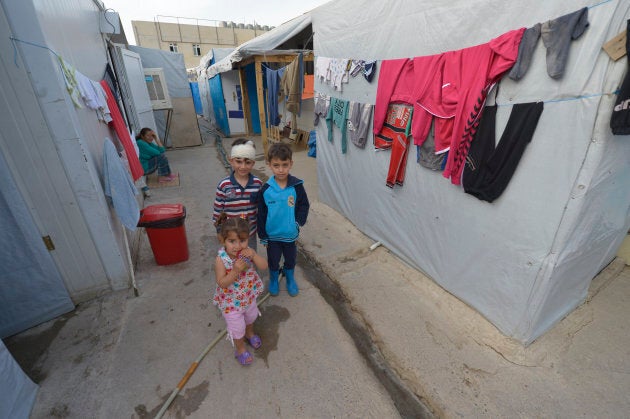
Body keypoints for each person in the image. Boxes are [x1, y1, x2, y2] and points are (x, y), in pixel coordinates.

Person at [213, 215, 267, 366]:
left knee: (250, 317)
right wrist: (235, 271)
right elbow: (222, 283)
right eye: (232, 241)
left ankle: (250, 334)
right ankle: (241, 349)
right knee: (237, 328)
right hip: (231, 302)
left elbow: (264, 266)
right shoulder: (221, 260)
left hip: (248, 296)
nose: (237, 246)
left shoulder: (247, 252)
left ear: (248, 239)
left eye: (242, 241)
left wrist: (254, 255)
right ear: (223, 240)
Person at [257, 143, 310, 297]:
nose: (281, 169)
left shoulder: (297, 186)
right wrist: (263, 235)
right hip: (272, 236)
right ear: (269, 165)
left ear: (291, 164)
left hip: (289, 234)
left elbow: (304, 205)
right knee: (273, 260)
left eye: (284, 165)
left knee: (290, 258)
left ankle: (290, 278)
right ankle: (274, 279)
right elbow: (261, 214)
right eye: (276, 165)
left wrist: (298, 222)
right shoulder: (265, 190)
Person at [212, 139, 263, 251]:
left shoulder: (258, 184)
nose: (243, 166)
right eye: (238, 161)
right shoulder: (224, 185)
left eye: (248, 162)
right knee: (232, 262)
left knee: (249, 259)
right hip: (230, 235)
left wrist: (263, 231)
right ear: (231, 161)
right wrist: (219, 231)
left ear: (253, 163)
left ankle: (250, 269)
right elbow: (218, 211)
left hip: (250, 234)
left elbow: (261, 209)